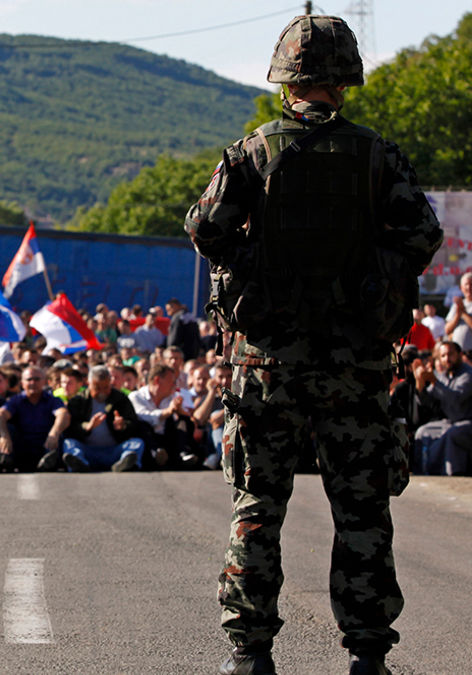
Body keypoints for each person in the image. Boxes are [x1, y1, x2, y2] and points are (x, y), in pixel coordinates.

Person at [184, 15, 442, 674]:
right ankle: (367, 653)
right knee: (362, 510)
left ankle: (249, 652)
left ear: (285, 79)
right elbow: (421, 235)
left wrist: (259, 260)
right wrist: (368, 271)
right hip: (355, 365)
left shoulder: (251, 152)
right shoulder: (376, 155)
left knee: (257, 509)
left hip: (268, 364)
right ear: (344, 81)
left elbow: (207, 229)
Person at [0, 366, 70, 473]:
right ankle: (1, 461)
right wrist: (4, 436)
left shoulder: (53, 400)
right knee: (8, 429)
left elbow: (63, 414)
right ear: (22, 383)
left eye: (37, 379)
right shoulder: (15, 400)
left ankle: (47, 463)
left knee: (60, 435)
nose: (33, 382)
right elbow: (0, 416)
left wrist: (55, 433)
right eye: (29, 379)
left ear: (44, 382)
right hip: (22, 448)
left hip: (46, 445)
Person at [61, 365, 145, 472]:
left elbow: (134, 423)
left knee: (137, 443)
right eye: (97, 388)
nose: (102, 392)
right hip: (87, 450)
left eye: (106, 387)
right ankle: (79, 463)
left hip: (114, 450)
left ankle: (126, 462)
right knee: (69, 443)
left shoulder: (120, 398)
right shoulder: (78, 400)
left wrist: (123, 425)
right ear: (89, 383)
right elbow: (70, 428)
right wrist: (87, 426)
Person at [411, 341, 472, 476]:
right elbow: (429, 401)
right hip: (450, 422)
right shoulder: (444, 375)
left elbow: (455, 398)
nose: (447, 359)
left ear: (460, 355)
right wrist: (419, 383)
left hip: (467, 422)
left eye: (450, 354)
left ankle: (454, 474)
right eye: (443, 356)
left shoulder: (468, 374)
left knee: (452, 433)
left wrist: (434, 381)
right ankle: (423, 471)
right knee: (422, 431)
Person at [444, 272, 472, 352]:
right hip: (457, 353)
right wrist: (457, 315)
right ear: (461, 288)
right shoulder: (457, 305)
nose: (469, 287)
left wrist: (463, 313)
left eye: (471, 284)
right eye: (466, 284)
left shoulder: (460, 307)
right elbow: (447, 330)